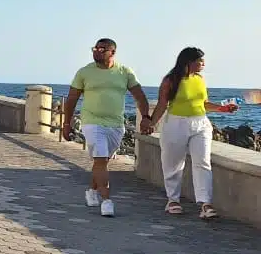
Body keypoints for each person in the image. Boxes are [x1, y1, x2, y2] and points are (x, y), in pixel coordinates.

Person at [61, 38, 152, 217]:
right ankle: (107, 201)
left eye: (102, 49)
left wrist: (146, 118)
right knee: (101, 160)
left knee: (101, 162)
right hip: (92, 122)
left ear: (113, 52)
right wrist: (66, 123)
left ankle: (92, 191)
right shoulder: (84, 72)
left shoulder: (124, 72)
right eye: (94, 49)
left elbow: (140, 96)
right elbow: (71, 99)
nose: (97, 52)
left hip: (116, 125)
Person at [148, 47, 237, 220]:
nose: (203, 64)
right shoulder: (170, 80)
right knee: (173, 163)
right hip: (176, 123)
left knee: (202, 161)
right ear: (188, 61)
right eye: (200, 61)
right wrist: (150, 122)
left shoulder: (200, 79)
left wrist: (222, 108)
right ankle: (172, 200)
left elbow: (203, 103)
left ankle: (205, 204)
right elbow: (161, 105)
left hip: (200, 123)